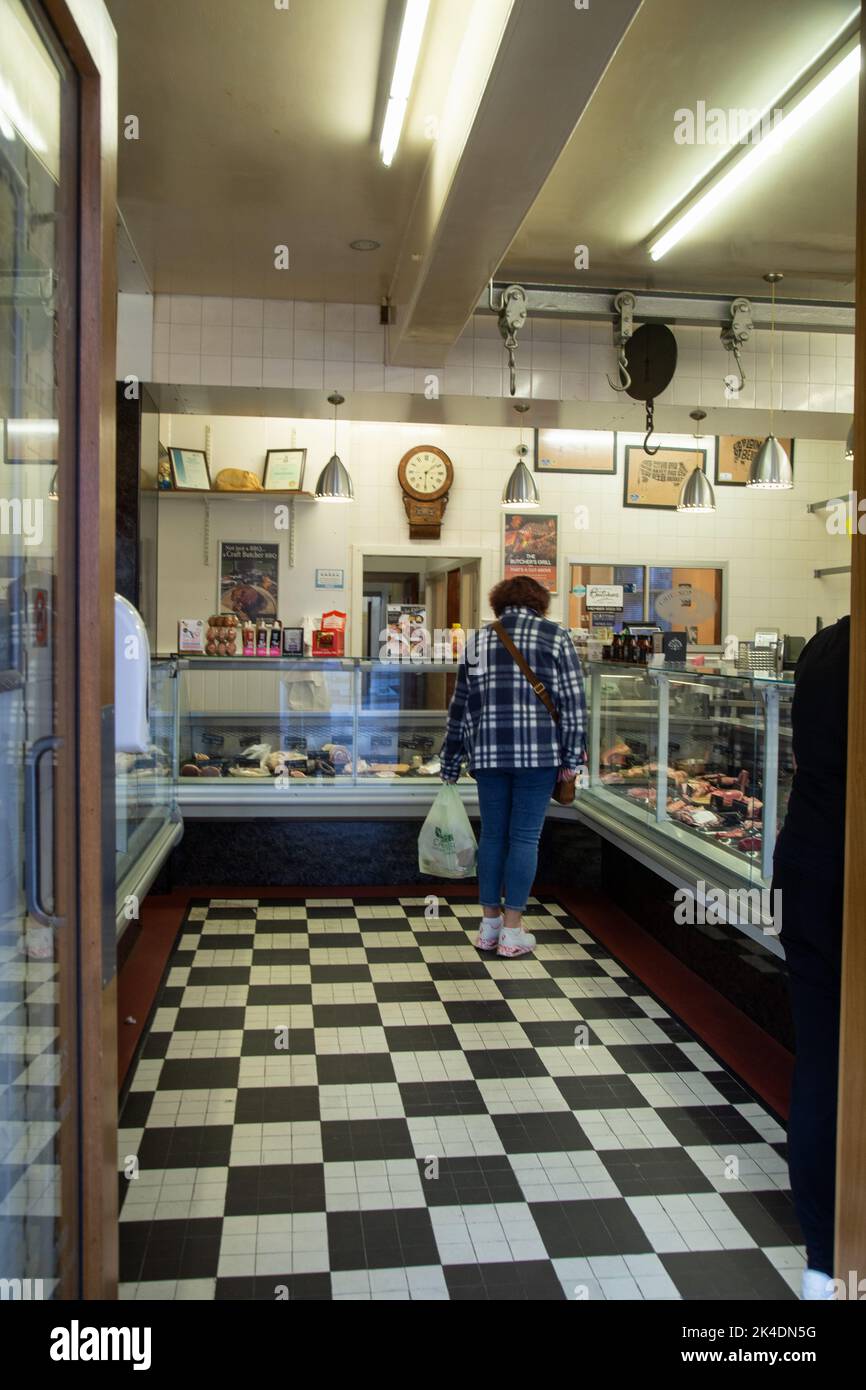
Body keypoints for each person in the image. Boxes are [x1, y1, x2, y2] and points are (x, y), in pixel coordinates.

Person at [439, 576, 586, 957]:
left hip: (488, 755)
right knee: (524, 839)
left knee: (492, 836)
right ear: (540, 603)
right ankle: (512, 931)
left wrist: (451, 759)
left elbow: (459, 705)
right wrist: (572, 759)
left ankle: (488, 927)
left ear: (498, 604)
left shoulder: (478, 640)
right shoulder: (556, 637)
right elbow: (573, 703)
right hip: (539, 757)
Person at [772, 615, 849, 1300]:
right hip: (846, 871)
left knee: (821, 1067)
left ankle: (823, 1261)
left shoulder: (825, 644)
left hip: (804, 865)